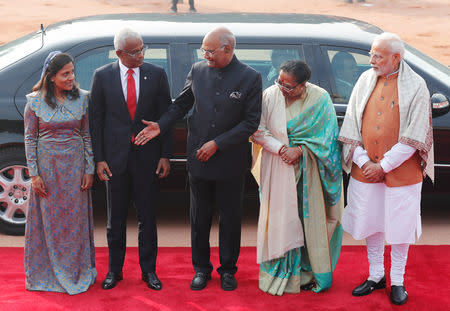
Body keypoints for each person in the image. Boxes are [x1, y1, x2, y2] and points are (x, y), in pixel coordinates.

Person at [135, 27, 262, 291]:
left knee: (230, 218)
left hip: (230, 161)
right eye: (203, 50)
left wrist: (218, 143)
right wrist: (161, 125)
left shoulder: (250, 77)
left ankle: (228, 269)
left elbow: (251, 122)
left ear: (228, 49)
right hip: (198, 160)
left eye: (210, 51)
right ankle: (201, 269)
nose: (205, 55)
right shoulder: (198, 70)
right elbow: (181, 104)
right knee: (199, 217)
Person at [338, 32, 433, 305]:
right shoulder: (365, 79)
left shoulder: (416, 86)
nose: (371, 61)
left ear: (396, 58)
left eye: (377, 56)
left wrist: (384, 166)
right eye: (371, 54)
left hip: (402, 173)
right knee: (372, 223)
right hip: (365, 170)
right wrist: (366, 162)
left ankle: (398, 281)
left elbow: (415, 135)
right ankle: (376, 275)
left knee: (401, 228)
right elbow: (351, 127)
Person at [89, 28, 173, 291]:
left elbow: (166, 118)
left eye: (142, 49)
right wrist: (99, 159)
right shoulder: (102, 76)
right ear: (119, 53)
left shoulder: (157, 74)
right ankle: (115, 271)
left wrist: (165, 155)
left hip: (147, 158)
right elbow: (96, 120)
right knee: (115, 220)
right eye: (135, 51)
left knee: (147, 218)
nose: (141, 54)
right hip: (114, 161)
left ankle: (149, 271)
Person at [251, 60, 344, 295]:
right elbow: (258, 130)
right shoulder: (269, 95)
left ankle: (308, 271)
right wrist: (282, 149)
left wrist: (301, 151)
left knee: (307, 219)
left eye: (289, 86)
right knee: (279, 219)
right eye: (280, 81)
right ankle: (281, 271)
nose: (282, 88)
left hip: (310, 171)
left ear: (304, 85)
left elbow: (328, 139)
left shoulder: (320, 99)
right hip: (277, 166)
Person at [24, 52, 96, 294]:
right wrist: (34, 175)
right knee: (49, 221)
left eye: (72, 72)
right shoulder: (34, 102)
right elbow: (30, 138)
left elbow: (86, 135)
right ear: (51, 77)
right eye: (65, 74)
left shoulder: (83, 99)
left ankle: (76, 269)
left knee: (74, 222)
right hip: (48, 171)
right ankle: (48, 272)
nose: (71, 77)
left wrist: (89, 168)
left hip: (75, 170)